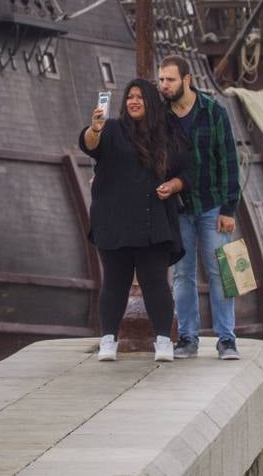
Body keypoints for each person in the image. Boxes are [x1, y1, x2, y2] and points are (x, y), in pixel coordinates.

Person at [80, 78, 191, 363]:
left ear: (151, 102)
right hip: (113, 218)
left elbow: (187, 170)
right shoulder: (111, 129)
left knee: (154, 281)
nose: (134, 101)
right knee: (114, 282)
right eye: (130, 97)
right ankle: (108, 340)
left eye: (140, 97)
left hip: (152, 218)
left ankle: (164, 341)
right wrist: (95, 128)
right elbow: (88, 145)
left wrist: (174, 186)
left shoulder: (167, 133)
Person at [157, 55, 243, 362]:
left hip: (212, 205)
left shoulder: (213, 112)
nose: (163, 85)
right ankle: (188, 338)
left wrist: (229, 209)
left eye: (169, 80)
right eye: (161, 80)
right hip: (178, 208)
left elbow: (229, 161)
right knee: (182, 274)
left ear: (186, 80)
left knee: (223, 271)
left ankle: (227, 339)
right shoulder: (160, 115)